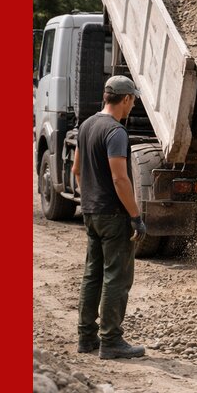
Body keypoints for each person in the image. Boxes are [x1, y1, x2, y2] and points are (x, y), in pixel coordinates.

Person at [72, 75, 147, 359]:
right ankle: (111, 341)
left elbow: (77, 169)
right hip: (113, 215)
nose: (133, 105)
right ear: (125, 99)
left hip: (91, 213)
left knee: (93, 274)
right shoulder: (115, 132)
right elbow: (120, 179)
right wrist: (135, 216)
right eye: (133, 100)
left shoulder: (87, 125)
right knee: (117, 276)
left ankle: (86, 337)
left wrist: (88, 200)